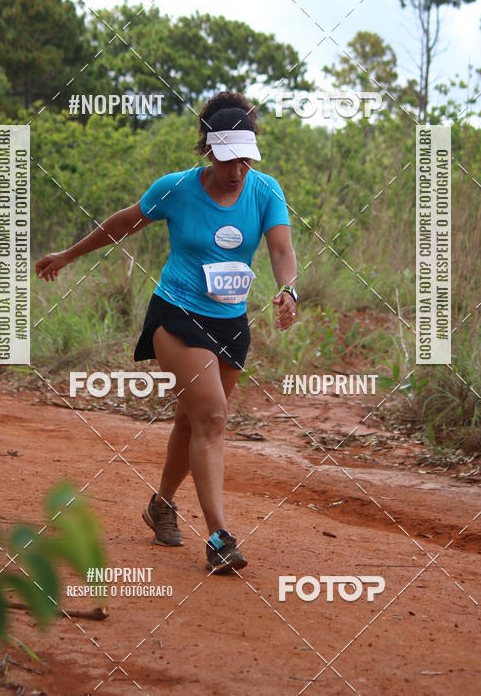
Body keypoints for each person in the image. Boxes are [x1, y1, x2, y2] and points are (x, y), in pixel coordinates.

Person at [36, 90, 298, 574]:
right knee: (214, 417)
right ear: (206, 150)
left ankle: (161, 505)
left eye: (244, 158)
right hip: (176, 315)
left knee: (191, 422)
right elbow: (124, 223)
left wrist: (289, 290)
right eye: (225, 158)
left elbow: (282, 250)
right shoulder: (176, 188)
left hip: (232, 324)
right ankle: (219, 537)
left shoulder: (266, 192)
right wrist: (67, 255)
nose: (236, 169)